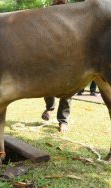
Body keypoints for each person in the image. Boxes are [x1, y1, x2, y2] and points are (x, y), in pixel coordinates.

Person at [41, 0, 70, 133]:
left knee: (68, 88)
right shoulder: (47, 13)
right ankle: (49, 108)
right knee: (46, 85)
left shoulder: (73, 11)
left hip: (69, 55)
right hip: (50, 55)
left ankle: (63, 120)